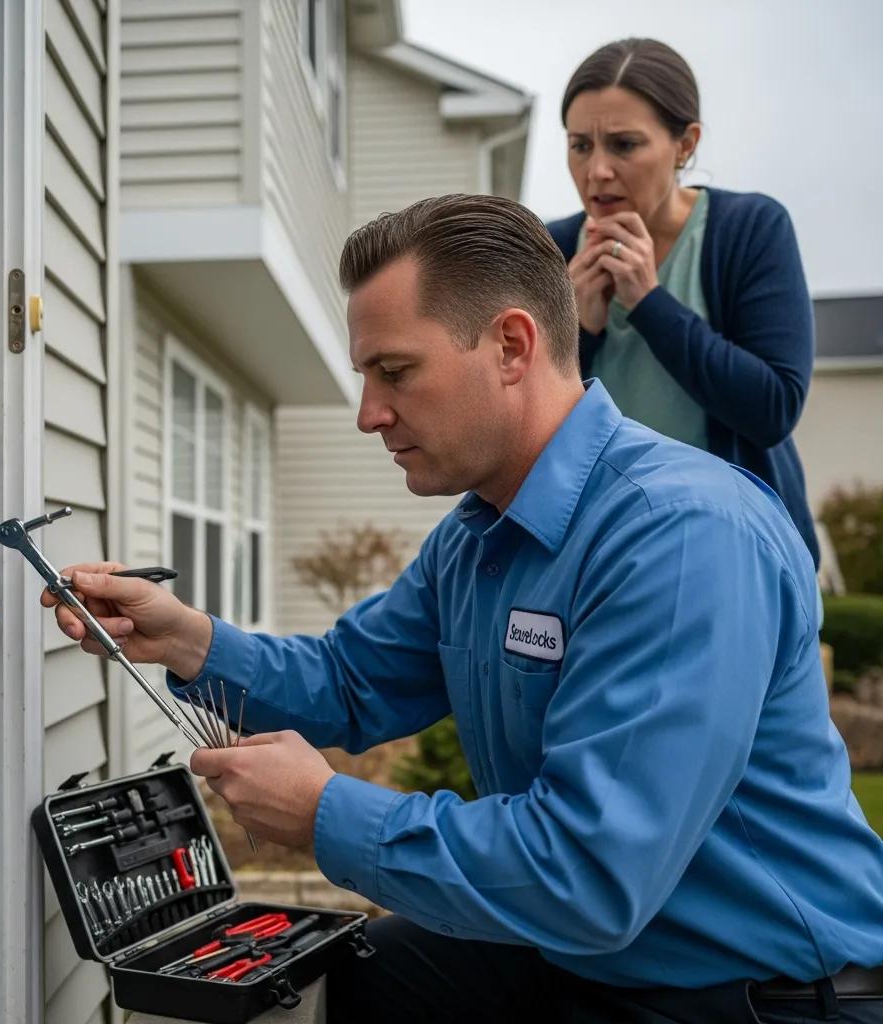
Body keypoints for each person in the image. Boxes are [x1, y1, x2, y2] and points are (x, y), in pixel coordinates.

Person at [44, 194, 883, 1023]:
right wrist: (188, 641)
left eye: (395, 372)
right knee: (362, 981)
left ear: (512, 345)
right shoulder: (478, 538)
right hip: (595, 957)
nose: (369, 413)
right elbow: (349, 681)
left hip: (756, 998)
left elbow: (589, 873)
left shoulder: (677, 536)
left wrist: (325, 810)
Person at [547, 37, 820, 565]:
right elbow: (522, 423)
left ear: (686, 144)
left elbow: (772, 407)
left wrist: (649, 303)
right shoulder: (549, 250)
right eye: (580, 145)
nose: (597, 170)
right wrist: (578, 333)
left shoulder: (750, 230)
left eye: (624, 145)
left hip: (740, 559)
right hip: (601, 562)